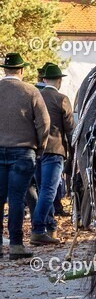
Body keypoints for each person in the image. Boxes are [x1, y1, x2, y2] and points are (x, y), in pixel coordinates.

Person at [0, 54, 50, 259]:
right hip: (23, 151)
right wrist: (41, 147)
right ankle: (16, 245)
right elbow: (44, 122)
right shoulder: (31, 91)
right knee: (17, 200)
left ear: (5, 70)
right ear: (21, 70)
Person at [31, 64, 74, 246]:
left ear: (44, 80)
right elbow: (71, 129)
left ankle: (50, 226)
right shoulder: (61, 98)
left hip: (36, 150)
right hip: (55, 150)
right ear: (60, 80)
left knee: (42, 190)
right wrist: (73, 152)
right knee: (49, 191)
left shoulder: (35, 96)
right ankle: (38, 229)